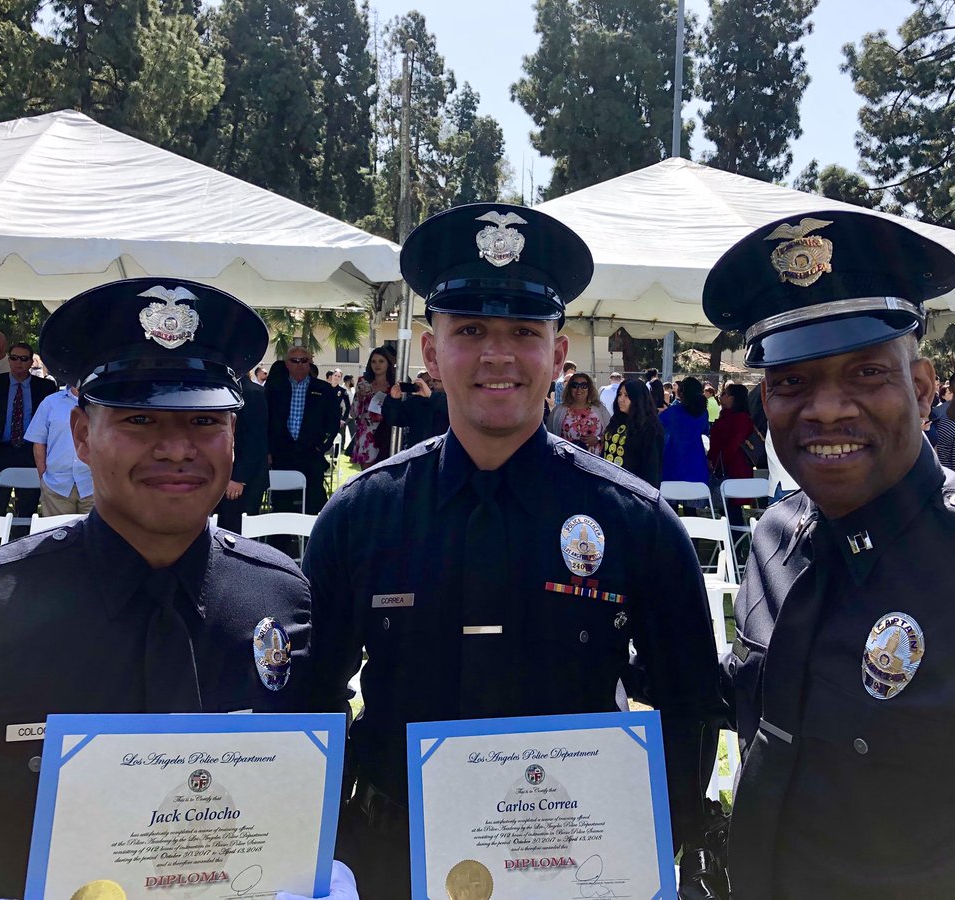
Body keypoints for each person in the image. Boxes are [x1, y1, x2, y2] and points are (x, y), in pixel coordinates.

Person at [305, 202, 725, 900]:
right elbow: (313, 704)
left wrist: (643, 843)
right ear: (432, 351)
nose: (496, 353)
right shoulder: (361, 517)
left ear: (558, 356)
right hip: (391, 866)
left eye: (523, 331)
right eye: (469, 329)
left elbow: (690, 708)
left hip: (576, 871)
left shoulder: (633, 522)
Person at [0, 278, 357, 900]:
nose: (176, 448)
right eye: (139, 419)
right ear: (82, 434)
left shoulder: (280, 602)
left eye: (204, 422)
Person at [704, 208, 955, 899]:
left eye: (864, 373)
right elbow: (770, 695)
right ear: (768, 400)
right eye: (792, 382)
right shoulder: (776, 538)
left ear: (920, 388)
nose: (825, 408)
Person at [0, 340, 58, 521]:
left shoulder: (45, 387)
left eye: (23, 359)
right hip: (0, 450)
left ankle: (23, 540)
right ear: (9, 360)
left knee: (28, 506)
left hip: (31, 451)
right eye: (14, 358)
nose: (18, 363)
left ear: (32, 362)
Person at [265, 344, 339, 515]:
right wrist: (268, 450)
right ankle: (280, 541)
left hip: (311, 455)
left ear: (310, 363)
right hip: (282, 454)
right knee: (281, 502)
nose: (299, 365)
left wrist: (321, 446)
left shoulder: (324, 389)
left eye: (303, 361)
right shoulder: (274, 388)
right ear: (287, 364)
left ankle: (312, 540)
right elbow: (265, 422)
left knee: (314, 502)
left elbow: (333, 422)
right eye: (294, 361)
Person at [23, 382, 95, 516]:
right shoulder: (50, 402)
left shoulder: (104, 403)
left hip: (93, 485)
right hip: (56, 486)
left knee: (95, 536)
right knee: (57, 536)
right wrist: (44, 478)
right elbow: (39, 442)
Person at [215, 373, 269, 534]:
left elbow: (255, 439)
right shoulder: (219, 388)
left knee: (236, 534)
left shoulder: (252, 393)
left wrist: (239, 478)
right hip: (219, 476)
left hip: (242, 480)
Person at [602, 377, 665, 487]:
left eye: (627, 395)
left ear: (638, 398)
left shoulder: (650, 427)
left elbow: (652, 467)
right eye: (620, 394)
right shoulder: (616, 419)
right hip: (609, 485)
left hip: (634, 490)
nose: (621, 399)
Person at [707, 382, 756, 523]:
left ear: (732, 398)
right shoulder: (726, 416)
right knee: (725, 509)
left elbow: (733, 444)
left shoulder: (741, 418)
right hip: (722, 466)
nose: (720, 396)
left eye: (724, 394)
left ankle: (736, 542)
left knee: (733, 509)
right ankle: (731, 540)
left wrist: (717, 463)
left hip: (734, 469)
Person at [659, 375, 711, 488]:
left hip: (673, 462)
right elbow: (705, 430)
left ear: (681, 393)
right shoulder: (703, 413)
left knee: (671, 502)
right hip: (696, 463)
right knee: (693, 500)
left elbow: (657, 427)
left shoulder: (672, 412)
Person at [349, 347, 396, 469]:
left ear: (388, 363)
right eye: (373, 361)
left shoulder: (394, 385)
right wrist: (359, 396)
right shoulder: (363, 382)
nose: (377, 365)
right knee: (366, 476)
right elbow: (353, 413)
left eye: (381, 361)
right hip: (366, 434)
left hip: (387, 433)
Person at [546, 370, 609, 452]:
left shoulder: (600, 410)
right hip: (566, 462)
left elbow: (612, 434)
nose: (579, 389)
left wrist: (598, 439)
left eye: (583, 386)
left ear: (589, 388)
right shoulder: (558, 411)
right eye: (575, 385)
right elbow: (549, 437)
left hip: (595, 461)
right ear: (569, 388)